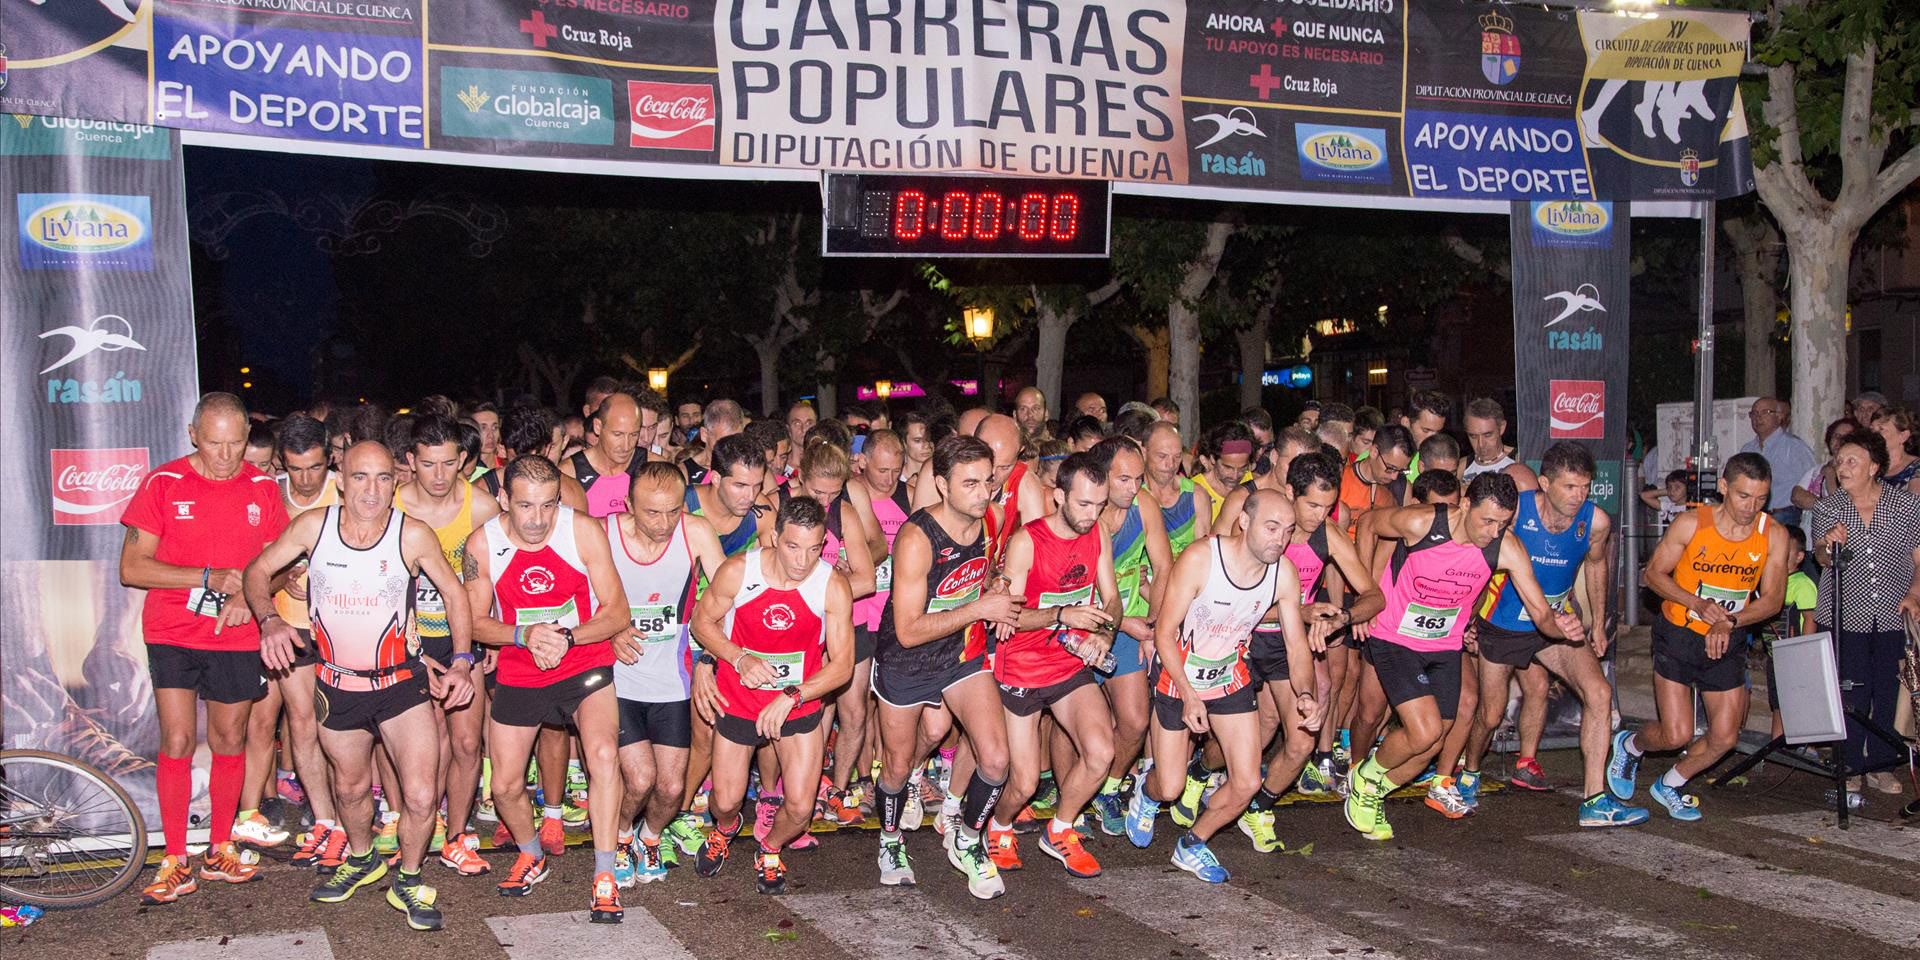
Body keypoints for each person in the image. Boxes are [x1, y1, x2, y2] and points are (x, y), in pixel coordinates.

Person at [244, 441, 475, 931]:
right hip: (337, 686)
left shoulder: (412, 535)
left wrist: (460, 660)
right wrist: (268, 620)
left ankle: (410, 878)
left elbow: (456, 594)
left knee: (418, 795)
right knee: (349, 789)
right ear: (341, 480)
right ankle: (364, 857)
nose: (372, 490)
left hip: (402, 685)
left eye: (383, 478)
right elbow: (258, 570)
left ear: (395, 483)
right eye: (361, 477)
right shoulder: (314, 527)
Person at [1344, 473, 1583, 842]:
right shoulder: (1423, 521)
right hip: (1395, 635)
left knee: (1434, 741)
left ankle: (1372, 788)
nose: (1492, 532)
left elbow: (1540, 613)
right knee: (1421, 730)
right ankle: (1365, 778)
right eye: (1487, 521)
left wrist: (1561, 626)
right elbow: (1369, 524)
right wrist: (1367, 591)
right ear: (1466, 504)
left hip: (1444, 644)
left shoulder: (1506, 547)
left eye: (1503, 523)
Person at [122, 393, 290, 905]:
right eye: (214, 443)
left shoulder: (262, 487)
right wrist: (206, 576)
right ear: (193, 433)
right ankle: (175, 856)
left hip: (236, 634)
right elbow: (132, 569)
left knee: (230, 738)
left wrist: (246, 592)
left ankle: (220, 846)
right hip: (173, 630)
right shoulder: (164, 482)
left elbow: (284, 562)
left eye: (236, 443)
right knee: (176, 740)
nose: (225, 455)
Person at [461, 455, 631, 921]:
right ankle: (531, 853)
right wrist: (524, 635)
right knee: (507, 785)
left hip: (584, 659)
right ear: (502, 500)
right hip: (521, 664)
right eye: (525, 506)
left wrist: (566, 637)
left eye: (548, 505)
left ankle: (604, 874)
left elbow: (617, 612)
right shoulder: (481, 545)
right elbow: (473, 621)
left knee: (601, 756)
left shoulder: (582, 531)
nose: (537, 520)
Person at [1456, 443, 1647, 827]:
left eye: (1585, 487)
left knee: (1599, 693)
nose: (1580, 496)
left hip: (1557, 624)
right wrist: (1467, 618)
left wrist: (1597, 621)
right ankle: (1470, 772)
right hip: (1505, 623)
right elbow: (1476, 556)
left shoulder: (1595, 523)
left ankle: (1594, 799)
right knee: (1491, 714)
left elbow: (1595, 566)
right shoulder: (1516, 512)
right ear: (1544, 483)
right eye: (1570, 487)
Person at [1126, 490, 1311, 884]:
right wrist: (1189, 694)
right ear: (1244, 522)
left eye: (1289, 531)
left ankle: (1193, 844)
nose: (1280, 539)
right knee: (1170, 787)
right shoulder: (1201, 558)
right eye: (1272, 527)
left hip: (1229, 676)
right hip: (1178, 676)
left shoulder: (1284, 574)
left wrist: (1306, 693)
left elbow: (1296, 645)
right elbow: (1164, 632)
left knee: (1247, 782)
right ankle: (1146, 790)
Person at [870, 435, 1021, 898]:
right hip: (906, 661)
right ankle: (890, 841)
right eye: (970, 483)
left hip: (959, 654)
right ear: (941, 484)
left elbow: (984, 576)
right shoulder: (917, 539)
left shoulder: (990, 519)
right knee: (896, 765)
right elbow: (910, 629)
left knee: (996, 760)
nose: (983, 492)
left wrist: (997, 584)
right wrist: (980, 610)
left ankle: (968, 838)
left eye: (988, 481)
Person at [684, 497, 854, 895]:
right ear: (775, 538)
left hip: (798, 703)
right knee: (725, 802)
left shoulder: (831, 584)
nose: (802, 561)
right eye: (793, 547)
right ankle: (727, 830)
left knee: (799, 808)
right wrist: (737, 658)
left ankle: (771, 848)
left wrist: (792, 695)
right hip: (740, 698)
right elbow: (701, 622)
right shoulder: (740, 571)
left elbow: (842, 665)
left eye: (814, 549)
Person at [1608, 452, 1789, 822]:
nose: (1750, 507)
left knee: (1725, 737)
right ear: (1723, 487)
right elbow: (1654, 575)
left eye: (1760, 498)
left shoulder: (1773, 534)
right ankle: (1630, 744)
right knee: (1676, 735)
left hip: (1729, 637)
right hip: (1679, 633)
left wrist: (1730, 621)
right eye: (1743, 496)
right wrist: (1697, 603)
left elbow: (1772, 600)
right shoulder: (1693, 523)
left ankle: (1671, 783)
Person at [986, 452, 1117, 878]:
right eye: (1083, 504)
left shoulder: (1097, 532)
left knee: (1101, 753)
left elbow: (1111, 598)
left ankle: (1060, 829)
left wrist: (1103, 634)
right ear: (1058, 496)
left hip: (1069, 662)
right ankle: (999, 825)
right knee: (1023, 783)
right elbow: (1008, 614)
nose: (1092, 514)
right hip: (1021, 666)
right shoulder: (1028, 541)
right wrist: (1063, 614)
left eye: (1100, 504)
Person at [1244, 452, 1383, 848]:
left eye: (1328, 506)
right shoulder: (1264, 531)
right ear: (1289, 493)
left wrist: (1343, 617)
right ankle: (1203, 773)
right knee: (1257, 729)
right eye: (1312, 505)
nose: (1320, 515)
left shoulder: (1329, 535)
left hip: (1287, 642)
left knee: (1303, 736)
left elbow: (1374, 596)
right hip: (1242, 635)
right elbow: (1228, 598)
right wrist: (1298, 610)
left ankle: (1258, 805)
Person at [604, 462, 729, 886]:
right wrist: (610, 633)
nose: (663, 524)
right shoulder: (605, 535)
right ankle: (620, 835)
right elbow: (578, 599)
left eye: (672, 511)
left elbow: (726, 598)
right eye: (651, 513)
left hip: (671, 679)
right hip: (617, 680)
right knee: (639, 778)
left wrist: (709, 659)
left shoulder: (695, 532)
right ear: (628, 505)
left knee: (672, 788)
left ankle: (650, 836)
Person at [394, 414, 503, 875]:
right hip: (410, 640)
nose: (439, 476)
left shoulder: (481, 507)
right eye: (428, 464)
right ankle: (422, 824)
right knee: (426, 742)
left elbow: (501, 568)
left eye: (447, 463)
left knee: (464, 740)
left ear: (463, 459)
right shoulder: (393, 504)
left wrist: (495, 624)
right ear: (410, 462)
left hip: (464, 636)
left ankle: (457, 835)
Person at [235, 415, 336, 858]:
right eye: (296, 469)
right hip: (277, 622)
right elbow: (253, 560)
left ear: (327, 459)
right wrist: (280, 579)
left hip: (330, 627)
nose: (306, 478)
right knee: (264, 719)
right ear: (283, 463)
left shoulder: (346, 489)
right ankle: (258, 807)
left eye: (314, 467)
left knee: (312, 719)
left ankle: (322, 809)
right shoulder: (267, 491)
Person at [1807, 430, 1920, 795]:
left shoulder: (1906, 506)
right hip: (1844, 613)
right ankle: (1851, 764)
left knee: (1888, 688)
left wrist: (1916, 593)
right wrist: (1829, 544)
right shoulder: (1828, 507)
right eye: (1839, 462)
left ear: (1874, 466)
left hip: (1893, 609)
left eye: (1852, 460)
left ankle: (1882, 764)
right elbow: (1821, 558)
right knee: (1851, 689)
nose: (1843, 467)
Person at [824, 429, 914, 823]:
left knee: (874, 704)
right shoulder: (846, 493)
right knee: (838, 707)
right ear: (861, 463)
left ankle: (863, 779)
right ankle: (829, 785)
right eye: (882, 470)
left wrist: (857, 563)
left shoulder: (906, 495)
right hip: (848, 614)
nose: (889, 479)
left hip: (888, 615)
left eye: (896, 470)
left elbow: (879, 546)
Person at [1085, 437, 1172, 838]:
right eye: (1123, 479)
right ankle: (1073, 793)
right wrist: (1125, 623)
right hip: (1080, 627)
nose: (1132, 487)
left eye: (1138, 478)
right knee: (1078, 728)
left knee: (1135, 723)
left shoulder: (1144, 505)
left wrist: (1153, 626)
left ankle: (1107, 788)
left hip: (1130, 624)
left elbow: (1165, 568)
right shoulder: (1081, 510)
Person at [563, 393, 649, 518]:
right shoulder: (569, 473)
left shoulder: (653, 465)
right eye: (617, 434)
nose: (626, 446)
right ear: (598, 427)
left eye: (634, 435)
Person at [1741, 397, 1817, 525]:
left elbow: (1813, 483)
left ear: (1779, 416)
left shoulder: (1794, 447)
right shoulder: (1747, 449)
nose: (1758, 418)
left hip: (1786, 517)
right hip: (1754, 517)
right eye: (1754, 413)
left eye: (1765, 412)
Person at [1143, 421, 1207, 557]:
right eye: (1162, 456)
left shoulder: (1196, 495)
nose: (1171, 464)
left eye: (1177, 457)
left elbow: (1203, 556)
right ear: (1144, 452)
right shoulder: (1131, 496)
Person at [1461, 398, 1539, 489]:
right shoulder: (1462, 466)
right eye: (1473, 436)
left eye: (1487, 435)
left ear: (1502, 428)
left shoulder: (1520, 460)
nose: (1481, 444)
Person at [1791, 418, 1861, 513]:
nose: (1839, 441)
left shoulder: (1857, 472)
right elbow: (1796, 496)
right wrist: (1826, 504)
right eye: (1836, 436)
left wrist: (1830, 476)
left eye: (1846, 437)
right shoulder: (1818, 469)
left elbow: (1842, 508)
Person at [1193, 422, 1256, 522]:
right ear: (1213, 459)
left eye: (1242, 468)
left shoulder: (1255, 484)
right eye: (1228, 468)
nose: (1235, 476)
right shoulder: (1193, 491)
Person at [1401, 391, 1451, 480]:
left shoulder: (1441, 460)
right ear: (1406, 423)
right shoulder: (1379, 457)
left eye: (1438, 432)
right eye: (1426, 430)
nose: (1433, 438)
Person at [1872, 404, 1920, 489]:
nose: (1873, 435)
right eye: (1871, 429)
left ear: (1903, 436)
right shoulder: (1868, 465)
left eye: (1881, 429)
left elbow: (1914, 501)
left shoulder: (1916, 468)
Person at [785, 401, 818, 465]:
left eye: (809, 423)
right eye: (797, 423)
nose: (803, 429)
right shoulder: (780, 467)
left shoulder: (824, 464)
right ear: (788, 429)